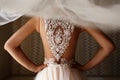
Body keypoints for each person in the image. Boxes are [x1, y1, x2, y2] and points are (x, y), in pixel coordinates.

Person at [4, 17, 115, 80]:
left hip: (47, 74)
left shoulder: (39, 19)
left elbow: (9, 45)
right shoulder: (80, 20)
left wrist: (34, 67)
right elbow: (108, 46)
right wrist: (84, 67)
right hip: (71, 74)